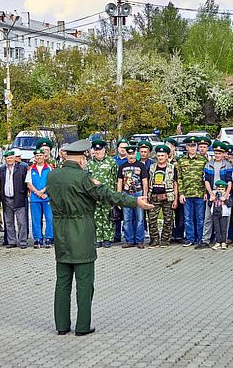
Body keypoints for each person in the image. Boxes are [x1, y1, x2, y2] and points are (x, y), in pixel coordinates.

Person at [45, 139, 153, 336]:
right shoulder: (83, 177)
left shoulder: (52, 176)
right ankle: (82, 326)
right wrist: (135, 201)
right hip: (82, 231)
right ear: (81, 157)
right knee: (85, 283)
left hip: (60, 232)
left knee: (62, 282)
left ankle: (61, 326)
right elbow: (107, 195)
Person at [86, 140, 118, 248]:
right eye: (96, 150)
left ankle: (107, 238)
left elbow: (115, 178)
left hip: (107, 194)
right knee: (96, 216)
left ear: (104, 150)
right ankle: (98, 238)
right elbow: (87, 178)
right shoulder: (90, 163)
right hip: (94, 195)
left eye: (99, 150)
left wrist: (114, 195)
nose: (97, 152)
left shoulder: (111, 162)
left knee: (108, 216)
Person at [200, 141, 233, 248]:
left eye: (220, 153)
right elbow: (206, 181)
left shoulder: (227, 165)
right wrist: (211, 194)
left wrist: (226, 195)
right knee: (208, 217)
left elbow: (229, 181)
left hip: (224, 193)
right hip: (213, 192)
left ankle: (223, 240)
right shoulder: (209, 165)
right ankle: (206, 239)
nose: (217, 155)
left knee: (224, 218)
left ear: (223, 154)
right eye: (216, 153)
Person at [177, 136, 208, 247]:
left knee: (200, 218)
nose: (192, 148)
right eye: (190, 146)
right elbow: (179, 178)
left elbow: (206, 177)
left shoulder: (203, 160)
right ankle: (190, 238)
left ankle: (200, 238)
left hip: (199, 193)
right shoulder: (181, 160)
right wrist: (181, 193)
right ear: (186, 147)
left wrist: (205, 192)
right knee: (188, 218)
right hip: (187, 194)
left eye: (194, 146)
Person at [117, 144, 148, 248]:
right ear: (126, 154)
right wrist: (118, 197)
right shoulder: (122, 166)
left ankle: (139, 240)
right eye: (129, 154)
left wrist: (145, 195)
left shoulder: (141, 166)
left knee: (139, 218)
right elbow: (119, 182)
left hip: (138, 193)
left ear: (136, 154)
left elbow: (145, 182)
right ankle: (129, 240)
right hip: (126, 194)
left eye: (133, 154)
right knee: (127, 219)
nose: (131, 156)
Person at [146, 145, 178, 248]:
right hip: (154, 196)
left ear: (167, 156)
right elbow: (147, 182)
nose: (160, 157)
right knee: (152, 219)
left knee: (168, 219)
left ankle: (165, 240)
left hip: (167, 196)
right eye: (158, 155)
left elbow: (175, 184)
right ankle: (154, 240)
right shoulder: (152, 167)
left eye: (162, 155)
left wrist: (175, 199)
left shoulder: (172, 168)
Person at [0, 150, 29, 249]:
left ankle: (23, 241)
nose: (9, 160)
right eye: (7, 158)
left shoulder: (21, 168)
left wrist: (24, 193)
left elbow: (26, 182)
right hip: (6, 198)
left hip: (18, 198)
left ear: (14, 158)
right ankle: (11, 241)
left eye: (11, 158)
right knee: (8, 221)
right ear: (5, 159)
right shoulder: (2, 169)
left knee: (21, 221)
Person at [26, 148, 54, 248]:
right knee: (36, 219)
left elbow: (51, 181)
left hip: (47, 197)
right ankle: (37, 239)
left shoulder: (49, 168)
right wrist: (37, 192)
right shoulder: (30, 169)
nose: (39, 157)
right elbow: (29, 184)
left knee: (49, 218)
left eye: (40, 155)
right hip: (35, 198)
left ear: (44, 156)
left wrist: (43, 191)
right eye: (37, 156)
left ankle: (49, 238)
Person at [210, 180, 233, 250]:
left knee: (223, 228)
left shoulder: (227, 195)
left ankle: (223, 242)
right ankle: (217, 242)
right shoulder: (214, 195)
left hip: (224, 214)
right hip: (215, 213)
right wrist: (211, 200)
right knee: (217, 229)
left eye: (222, 189)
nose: (220, 191)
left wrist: (225, 200)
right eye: (219, 189)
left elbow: (230, 204)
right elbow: (209, 204)